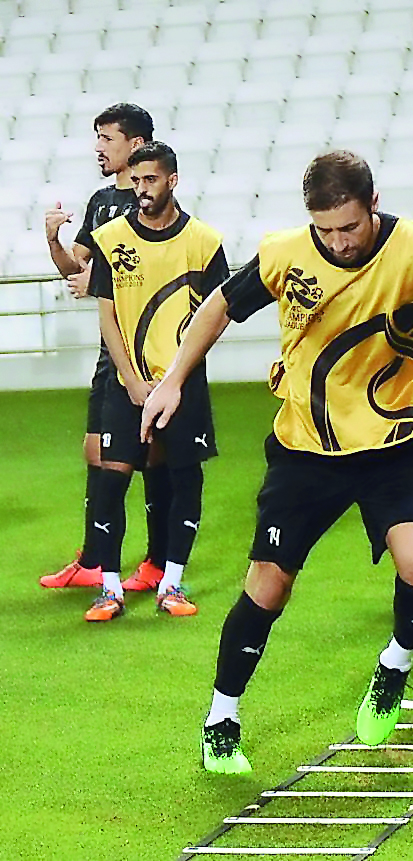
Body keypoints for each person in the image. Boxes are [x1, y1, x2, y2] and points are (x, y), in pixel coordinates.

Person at [141, 150, 413, 773]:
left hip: (394, 447)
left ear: (372, 205)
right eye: (326, 230)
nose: (338, 241)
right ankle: (221, 716)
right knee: (268, 587)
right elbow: (216, 307)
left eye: (349, 227)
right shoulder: (285, 252)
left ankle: (393, 667)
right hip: (305, 452)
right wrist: (173, 378)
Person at [84, 142, 228, 622]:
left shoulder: (205, 242)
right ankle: (108, 589)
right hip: (128, 386)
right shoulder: (110, 238)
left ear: (172, 180)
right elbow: (107, 316)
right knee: (112, 478)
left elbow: (218, 315)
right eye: (137, 180)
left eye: (151, 180)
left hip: (183, 385)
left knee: (184, 477)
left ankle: (171, 582)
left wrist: (176, 378)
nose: (142, 190)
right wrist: (130, 381)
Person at [40, 103, 173, 594]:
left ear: (135, 145)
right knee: (97, 450)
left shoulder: (156, 202)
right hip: (109, 349)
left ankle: (159, 561)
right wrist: (54, 240)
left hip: (152, 350)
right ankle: (96, 558)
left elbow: (157, 269)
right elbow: (78, 270)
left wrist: (98, 279)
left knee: (154, 454)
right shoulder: (99, 203)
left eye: (107, 138)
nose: (98, 147)